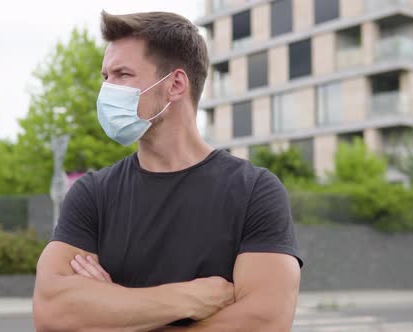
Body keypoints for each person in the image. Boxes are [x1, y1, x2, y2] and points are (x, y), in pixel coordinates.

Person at [33, 10, 303, 331]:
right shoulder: (92, 194)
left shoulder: (254, 191)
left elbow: (265, 321)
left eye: (122, 74)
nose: (107, 90)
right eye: (106, 77)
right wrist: (189, 297)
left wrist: (113, 308)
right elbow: (52, 313)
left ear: (175, 84)